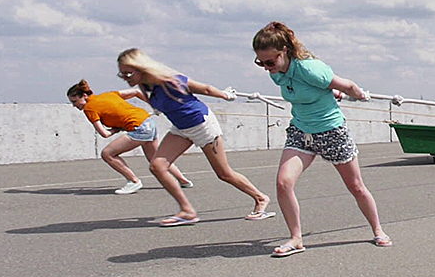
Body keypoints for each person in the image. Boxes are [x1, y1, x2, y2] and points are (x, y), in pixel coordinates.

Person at [252, 22, 392, 257]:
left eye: (270, 62)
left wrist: (359, 95)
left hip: (331, 132)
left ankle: (378, 230)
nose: (267, 68)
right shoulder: (277, 74)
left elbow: (347, 85)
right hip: (301, 131)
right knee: (283, 183)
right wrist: (331, 92)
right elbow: (306, 91)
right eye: (261, 63)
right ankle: (296, 239)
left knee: (356, 186)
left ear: (284, 51)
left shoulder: (310, 69)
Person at [116, 48, 274, 227]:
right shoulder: (146, 87)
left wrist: (225, 95)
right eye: (122, 74)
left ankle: (261, 198)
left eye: (128, 73)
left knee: (224, 174)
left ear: (141, 68)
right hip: (181, 128)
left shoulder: (171, 80)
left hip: (202, 126)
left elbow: (205, 89)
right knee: (157, 166)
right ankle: (187, 211)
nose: (125, 78)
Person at [67, 79, 193, 194]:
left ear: (84, 96)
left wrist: (115, 129)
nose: (74, 105)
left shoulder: (89, 109)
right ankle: (183, 180)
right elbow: (136, 92)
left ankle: (133, 181)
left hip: (140, 128)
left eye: (75, 101)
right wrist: (155, 105)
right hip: (149, 122)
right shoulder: (108, 95)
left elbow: (104, 133)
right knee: (155, 158)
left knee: (107, 154)